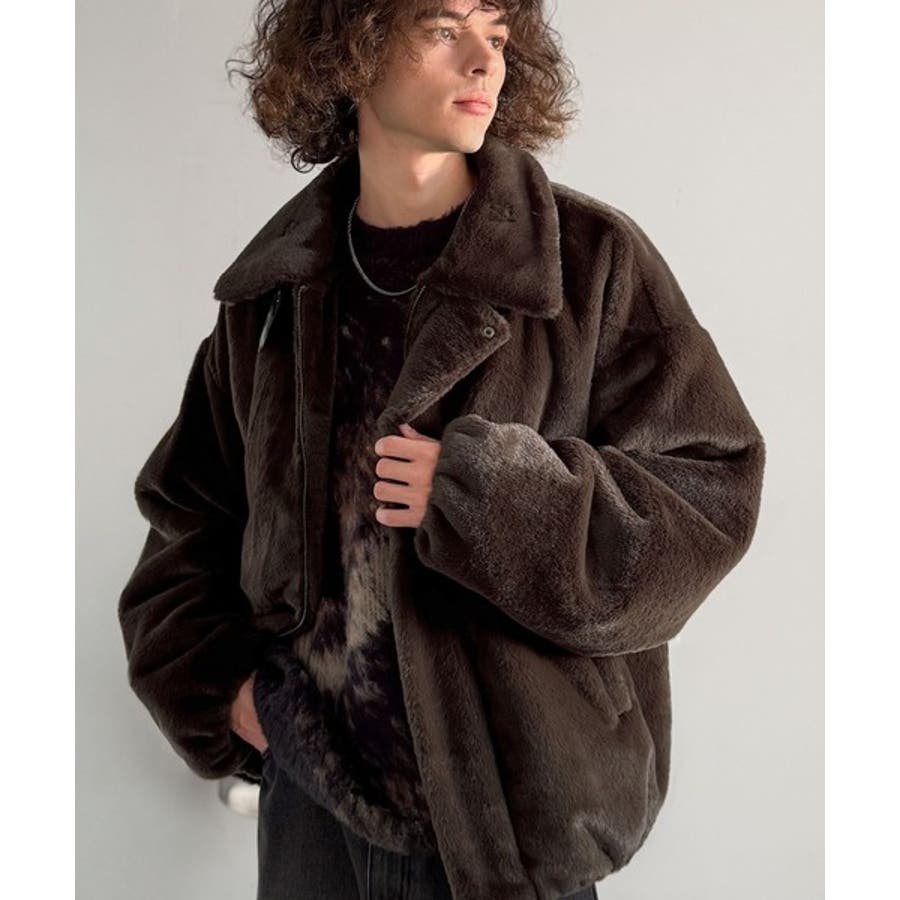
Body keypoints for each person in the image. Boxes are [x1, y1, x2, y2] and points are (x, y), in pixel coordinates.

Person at [117, 2, 766, 899]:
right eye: (442, 29)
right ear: (349, 49)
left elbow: (710, 493)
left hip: (510, 817)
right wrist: (224, 691)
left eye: (496, 36)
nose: (483, 63)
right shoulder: (276, 295)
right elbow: (189, 518)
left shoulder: (587, 263)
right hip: (316, 808)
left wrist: (490, 497)